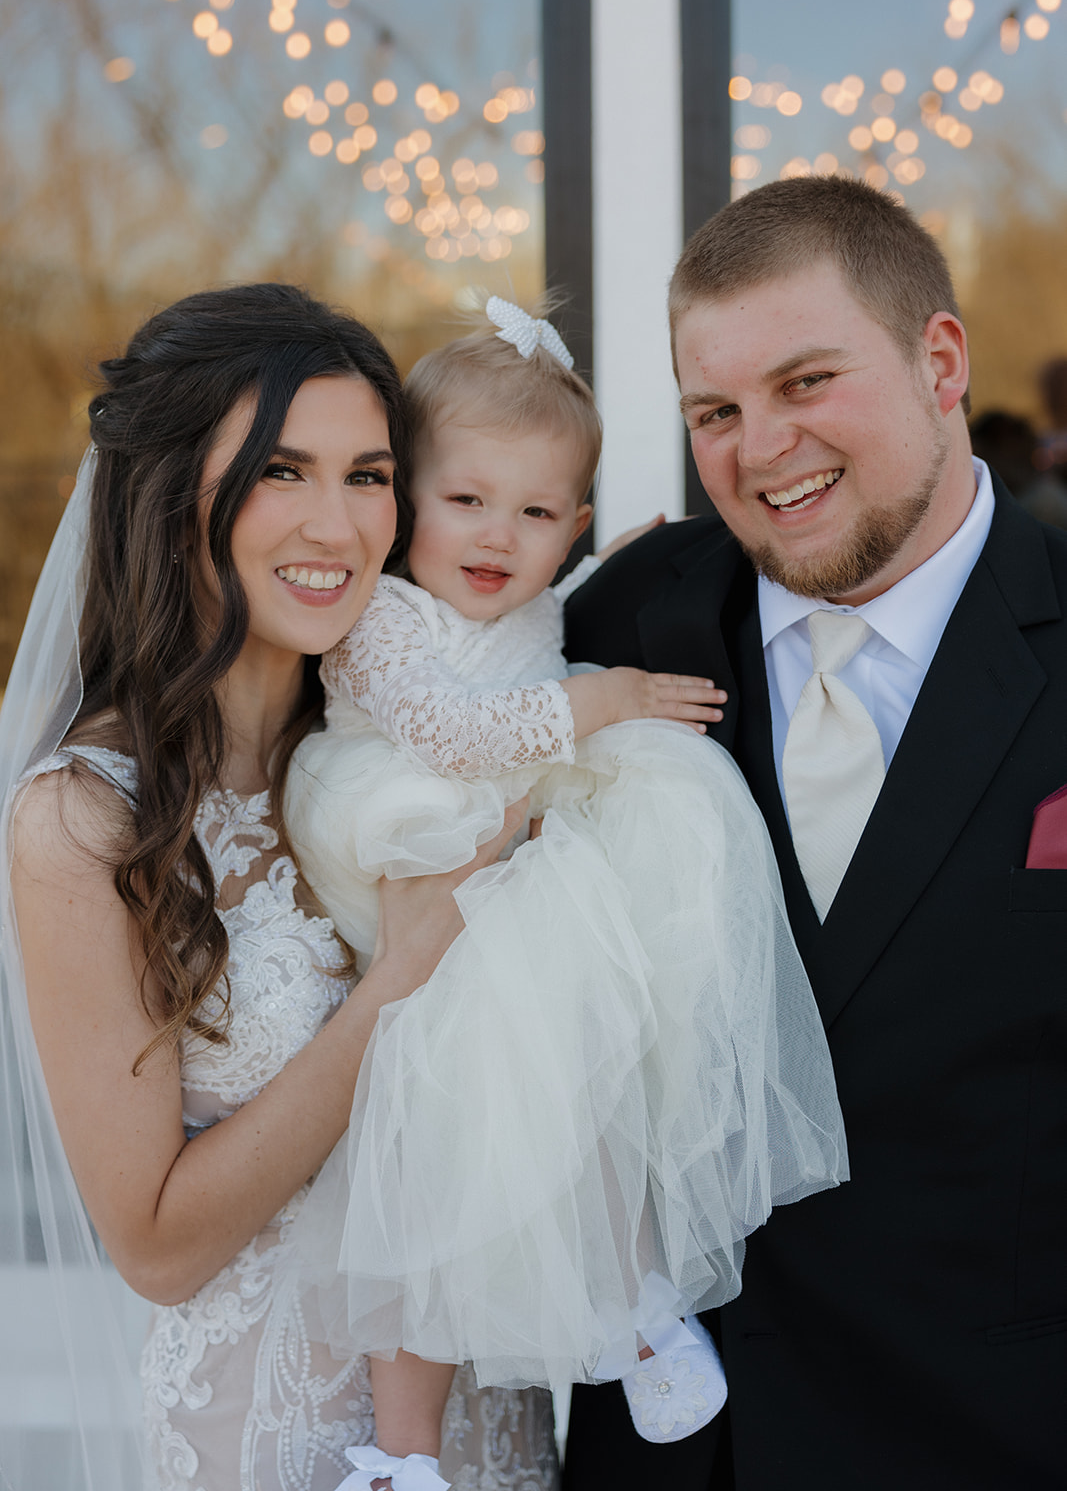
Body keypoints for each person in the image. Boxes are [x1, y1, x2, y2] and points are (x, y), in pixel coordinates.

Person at [281, 298, 848, 1491]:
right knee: (423, 1179)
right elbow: (454, 731)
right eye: (465, 500)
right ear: (403, 504)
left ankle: (635, 1306)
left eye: (537, 514)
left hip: (522, 882)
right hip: (422, 860)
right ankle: (401, 1450)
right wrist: (605, 699)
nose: (499, 535)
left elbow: (533, 622)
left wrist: (603, 566)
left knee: (594, 1090)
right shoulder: (381, 618)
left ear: (572, 526)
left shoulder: (536, 590)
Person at [0, 283, 559, 1491]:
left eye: (369, 476)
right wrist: (399, 983)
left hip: (491, 1422)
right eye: (279, 472)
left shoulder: (407, 748)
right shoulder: (86, 820)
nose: (338, 524)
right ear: (170, 499)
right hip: (270, 1440)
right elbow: (156, 1245)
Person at [562, 175, 1067, 1490]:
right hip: (676, 1451)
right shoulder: (616, 621)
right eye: (714, 412)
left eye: (805, 382)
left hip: (993, 1435)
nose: (759, 448)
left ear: (937, 361)